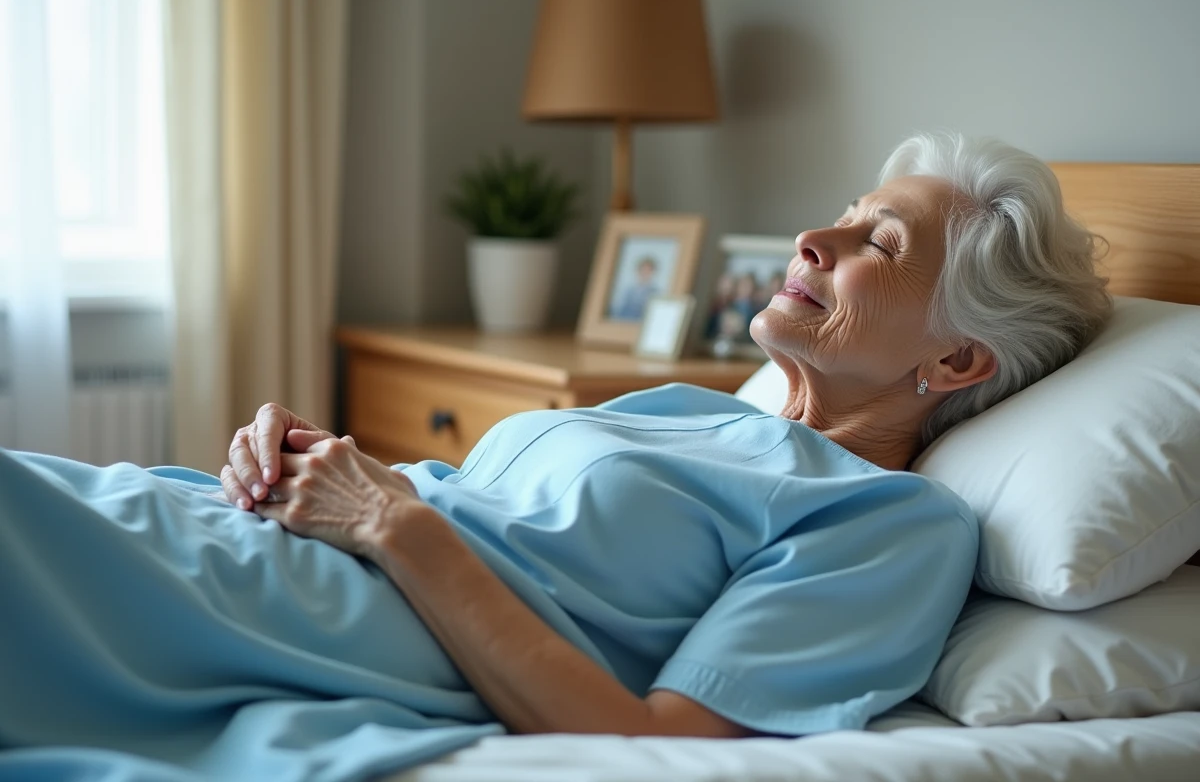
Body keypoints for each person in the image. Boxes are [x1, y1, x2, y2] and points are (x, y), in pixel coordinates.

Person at [0, 133, 1112, 780]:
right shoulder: (694, 408)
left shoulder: (893, 524)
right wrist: (293, 460)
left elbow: (650, 738)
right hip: (239, 538)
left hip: (315, 615)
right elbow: (488, 513)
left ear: (960, 360)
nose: (816, 239)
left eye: (882, 243)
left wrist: (389, 518)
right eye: (846, 213)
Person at [610, 255, 661, 320]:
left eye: (648, 270)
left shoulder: (655, 292)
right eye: (643, 270)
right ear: (638, 271)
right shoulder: (629, 291)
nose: (645, 273)